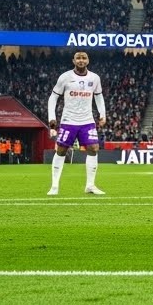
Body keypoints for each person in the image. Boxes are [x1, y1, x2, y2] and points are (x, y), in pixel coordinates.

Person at [47, 51, 107, 196]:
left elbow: (99, 97)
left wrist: (102, 114)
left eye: (84, 58)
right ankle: (54, 186)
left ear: (88, 60)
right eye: (78, 58)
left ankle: (90, 185)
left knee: (93, 148)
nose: (81, 60)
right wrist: (52, 117)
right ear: (73, 60)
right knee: (61, 150)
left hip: (87, 120)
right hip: (69, 121)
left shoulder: (95, 78)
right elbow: (53, 98)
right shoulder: (65, 77)